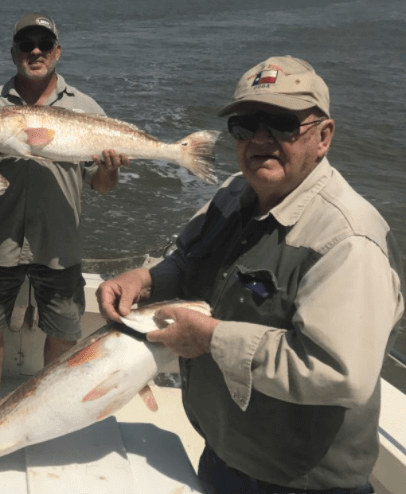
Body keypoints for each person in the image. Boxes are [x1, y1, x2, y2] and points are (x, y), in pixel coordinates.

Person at [98, 56, 403, 494]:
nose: (260, 139)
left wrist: (211, 339)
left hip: (299, 483)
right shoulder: (234, 192)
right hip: (223, 456)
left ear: (323, 136)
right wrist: (145, 280)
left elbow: (336, 371)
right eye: (245, 125)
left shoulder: (348, 240)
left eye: (281, 123)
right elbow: (188, 259)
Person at [0, 13, 128, 416]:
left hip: (58, 243)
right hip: (0, 241)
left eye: (44, 44)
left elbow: (102, 187)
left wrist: (109, 168)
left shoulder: (85, 108)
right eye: (26, 44)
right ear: (13, 52)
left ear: (57, 52)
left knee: (64, 329)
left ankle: (47, 408)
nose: (35, 51)